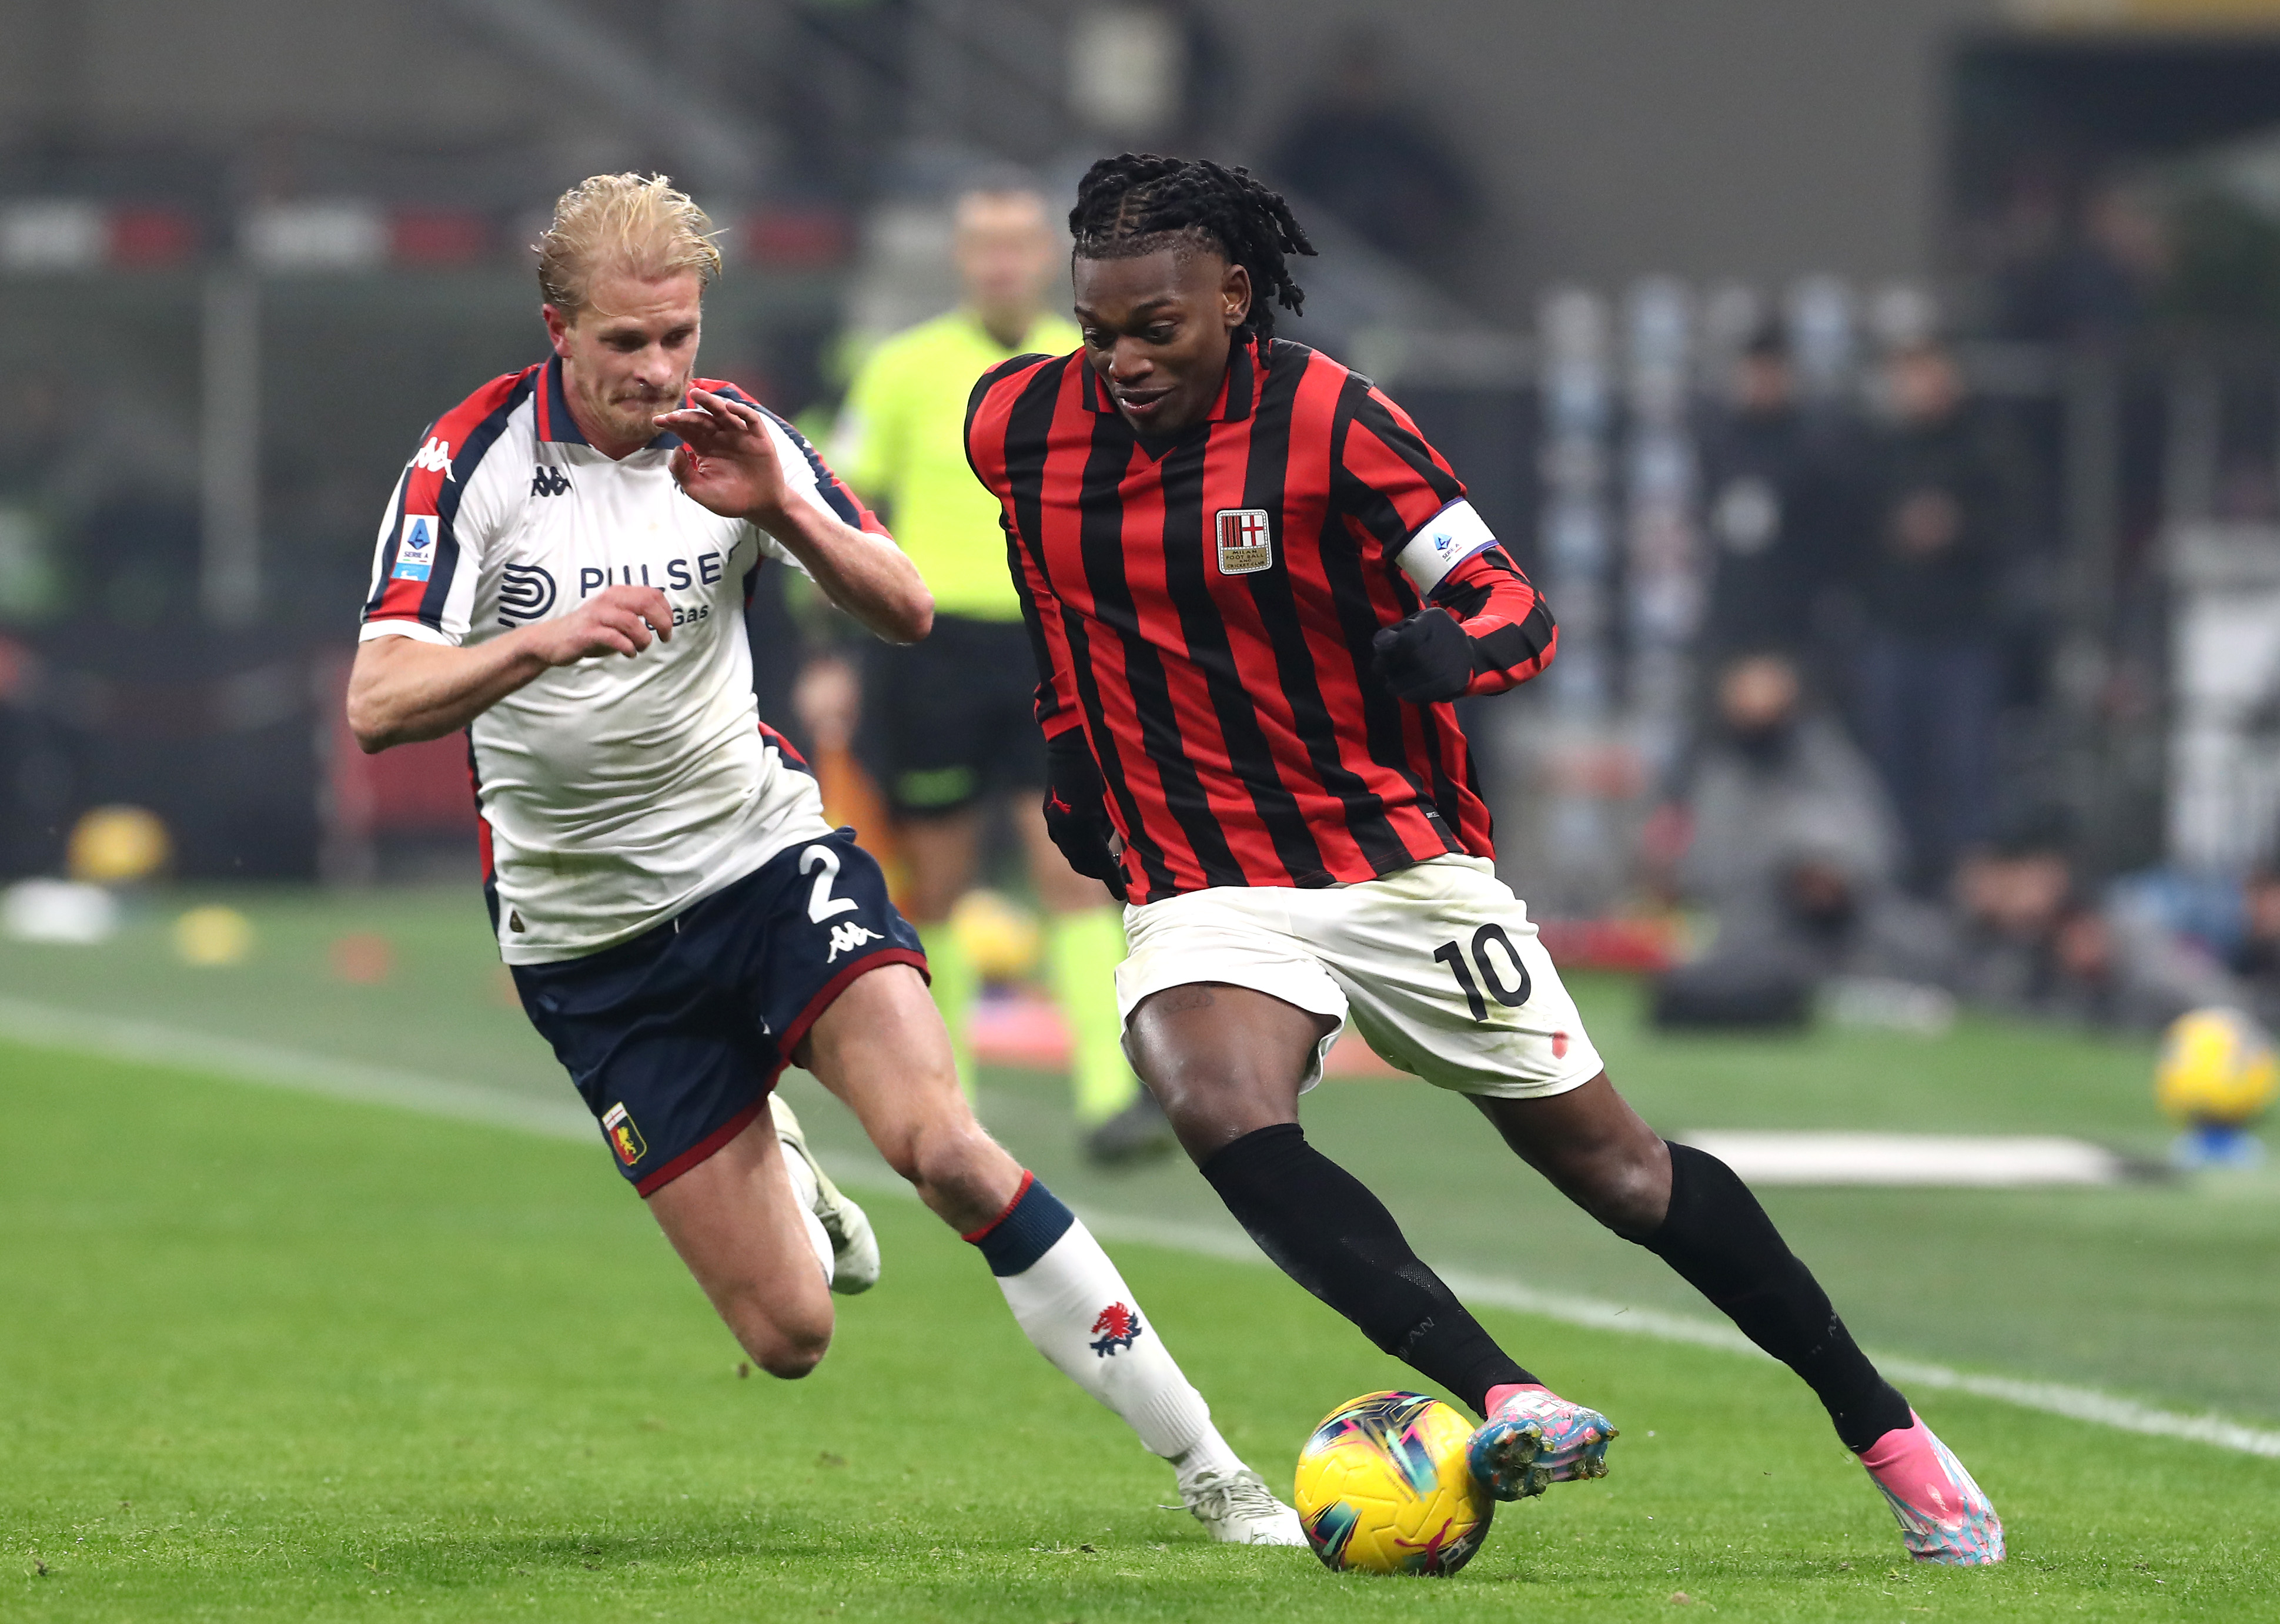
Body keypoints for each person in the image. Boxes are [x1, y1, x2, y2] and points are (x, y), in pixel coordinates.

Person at [966, 154, 2004, 1566]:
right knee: (1215, 1103)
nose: (1125, 362)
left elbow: (1508, 598)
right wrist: (1074, 748)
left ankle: (1889, 1432)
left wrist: (1456, 648)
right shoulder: (1017, 427)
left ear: (1235, 294)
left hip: (1395, 858)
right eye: (1099, 332)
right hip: (1200, 870)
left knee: (1625, 1174)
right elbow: (1053, 602)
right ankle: (1506, 1391)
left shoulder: (1335, 418)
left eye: (1159, 329)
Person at [343, 172, 1300, 1545]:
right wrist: (529, 644)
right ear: (557, 328)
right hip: (588, 939)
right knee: (790, 1331)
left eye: (679, 335)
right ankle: (771, 1134)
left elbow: (904, 601)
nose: (661, 370)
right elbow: (378, 704)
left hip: (761, 856)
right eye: (626, 343)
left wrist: (781, 507)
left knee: (950, 1151)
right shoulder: (469, 463)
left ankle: (1216, 1469)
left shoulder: (738, 436)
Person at [831, 179, 1168, 1164]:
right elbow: (844, 506)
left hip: (1051, 640)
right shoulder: (902, 368)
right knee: (939, 881)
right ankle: (951, 1108)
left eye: (1018, 247)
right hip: (928, 646)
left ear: (1051, 260)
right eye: (983, 246)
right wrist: (830, 648)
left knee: (1069, 867)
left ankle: (1112, 1101)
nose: (1000, 264)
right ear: (960, 257)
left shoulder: (1093, 364)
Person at [1851, 341, 2025, 893]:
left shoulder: (1987, 447)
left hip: (1962, 641)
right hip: (1893, 636)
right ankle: (1893, 893)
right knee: (1890, 780)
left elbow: (2016, 534)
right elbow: (1853, 536)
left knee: (1965, 780)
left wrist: (1956, 530)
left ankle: (1971, 904)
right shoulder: (1884, 451)